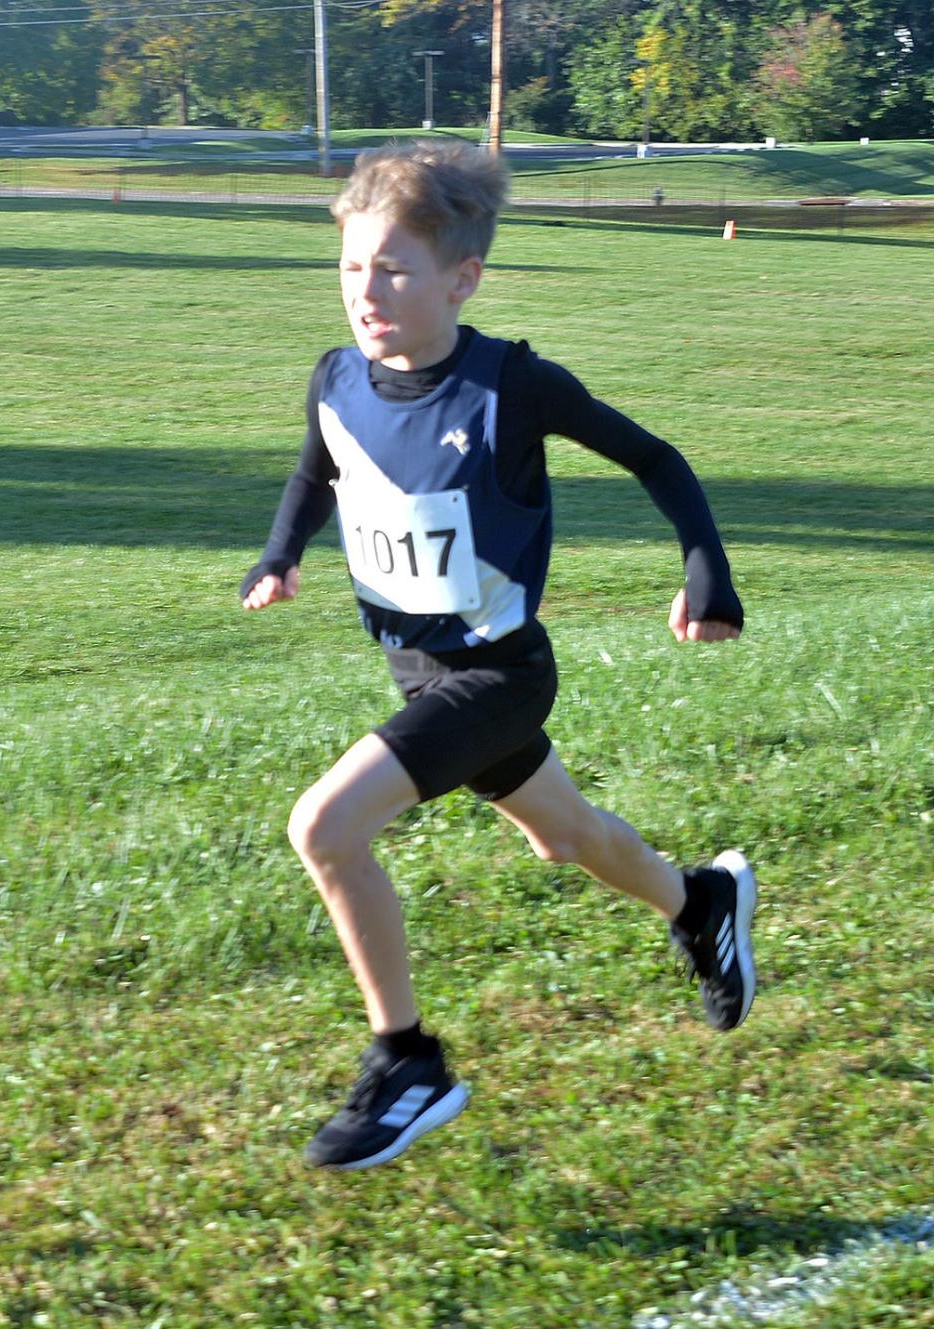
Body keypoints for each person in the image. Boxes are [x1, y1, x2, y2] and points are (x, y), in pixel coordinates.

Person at [241, 141, 756, 1172]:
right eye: (350, 267)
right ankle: (701, 903)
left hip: (498, 676)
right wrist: (280, 553)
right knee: (567, 839)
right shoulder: (337, 379)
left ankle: (408, 1063)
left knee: (326, 828)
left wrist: (708, 572)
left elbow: (657, 458)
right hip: (418, 673)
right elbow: (318, 472)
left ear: (461, 279)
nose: (366, 292)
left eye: (394, 269)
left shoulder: (510, 385)